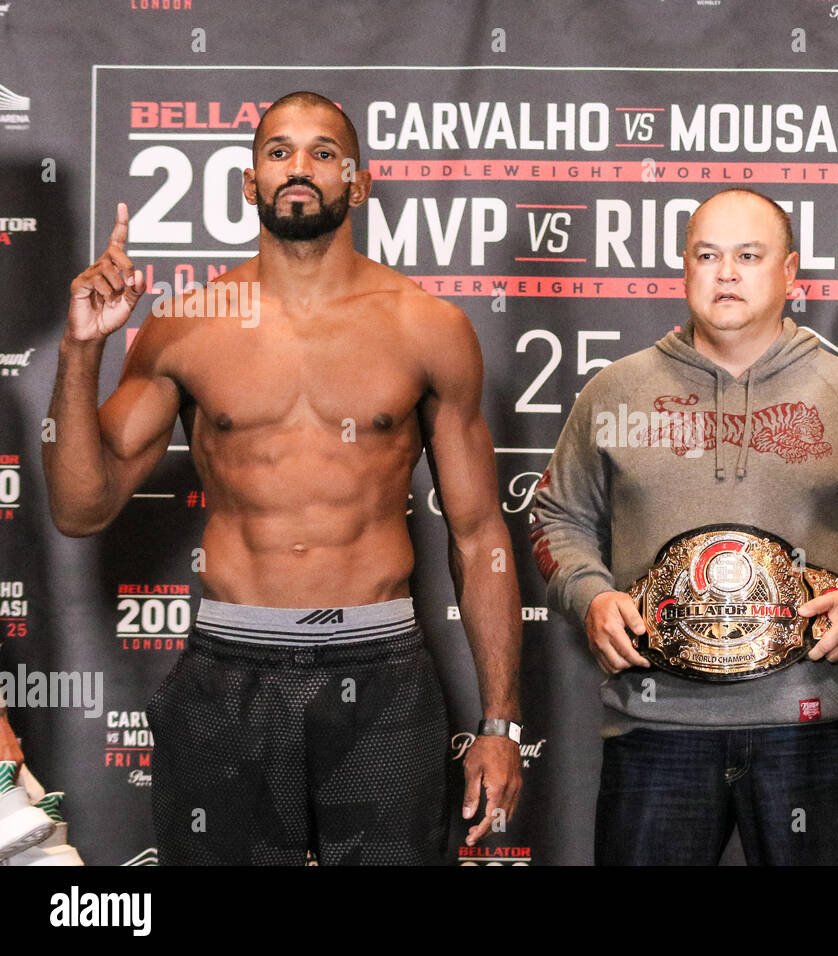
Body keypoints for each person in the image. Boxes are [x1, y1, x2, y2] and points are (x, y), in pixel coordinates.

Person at [42, 91, 523, 865]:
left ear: (358, 183)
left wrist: (500, 724)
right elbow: (79, 508)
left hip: (383, 676)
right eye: (278, 152)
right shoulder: (187, 325)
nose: (299, 168)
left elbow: (477, 534)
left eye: (323, 152)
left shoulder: (428, 327)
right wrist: (79, 352)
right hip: (228, 676)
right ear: (249, 182)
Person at [529, 186, 838, 865]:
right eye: (707, 254)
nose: (726, 272)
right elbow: (558, 516)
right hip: (655, 726)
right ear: (684, 268)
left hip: (812, 726)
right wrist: (590, 596)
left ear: (790, 273)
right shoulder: (617, 392)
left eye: (749, 255)